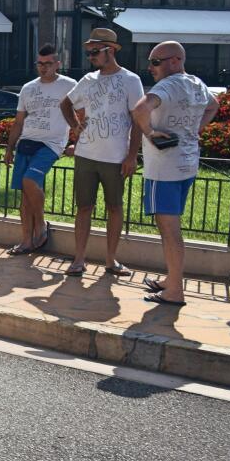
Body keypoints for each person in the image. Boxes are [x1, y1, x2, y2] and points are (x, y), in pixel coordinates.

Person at [131, 41, 217, 305]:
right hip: (187, 164)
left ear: (175, 61)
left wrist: (149, 133)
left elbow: (139, 109)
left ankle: (175, 290)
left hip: (164, 168)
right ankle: (172, 279)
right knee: (172, 226)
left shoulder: (167, 86)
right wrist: (195, 129)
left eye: (156, 62)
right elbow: (214, 105)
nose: (151, 68)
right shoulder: (196, 83)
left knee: (169, 230)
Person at [59, 28, 144, 277]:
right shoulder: (87, 80)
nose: (91, 56)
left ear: (111, 50)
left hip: (115, 157)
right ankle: (79, 259)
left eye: (95, 51)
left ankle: (110, 260)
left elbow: (137, 119)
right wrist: (75, 127)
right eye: (89, 52)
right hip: (86, 155)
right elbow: (65, 103)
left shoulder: (131, 80)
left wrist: (132, 156)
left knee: (114, 207)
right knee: (84, 207)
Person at [3, 45, 77, 255]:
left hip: (51, 144)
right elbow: (18, 122)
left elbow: (81, 114)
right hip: (26, 142)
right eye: (40, 64)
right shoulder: (28, 88)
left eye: (48, 64)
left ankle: (41, 225)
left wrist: (78, 142)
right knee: (25, 197)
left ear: (57, 64)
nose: (43, 68)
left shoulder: (69, 85)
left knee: (30, 181)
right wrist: (9, 148)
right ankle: (26, 241)